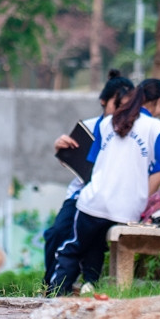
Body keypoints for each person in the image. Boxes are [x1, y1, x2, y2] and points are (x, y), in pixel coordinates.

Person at [48, 79, 160, 293]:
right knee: (96, 245)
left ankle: (55, 292)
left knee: (73, 248)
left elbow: (92, 159)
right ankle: (90, 286)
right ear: (159, 102)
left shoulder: (108, 122)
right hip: (126, 211)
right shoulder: (156, 127)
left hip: (95, 202)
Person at [42, 72, 135, 287]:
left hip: (109, 198)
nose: (121, 111)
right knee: (56, 233)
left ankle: (84, 285)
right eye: (118, 104)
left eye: (127, 106)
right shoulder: (90, 126)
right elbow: (73, 161)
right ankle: (50, 286)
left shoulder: (132, 132)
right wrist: (61, 148)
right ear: (103, 101)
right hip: (81, 193)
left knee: (91, 242)